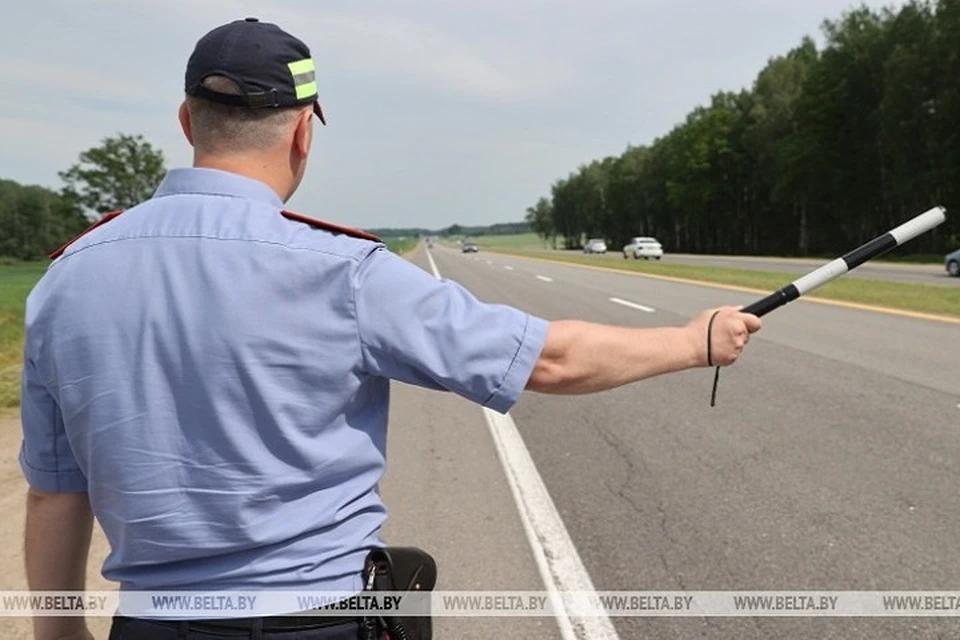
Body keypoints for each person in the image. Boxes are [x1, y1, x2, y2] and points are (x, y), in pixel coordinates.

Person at [18, 17, 762, 640]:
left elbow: (55, 492)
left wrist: (56, 631)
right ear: (304, 131)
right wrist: (695, 342)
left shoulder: (67, 278)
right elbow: (551, 361)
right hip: (319, 620)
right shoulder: (342, 271)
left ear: (188, 121)